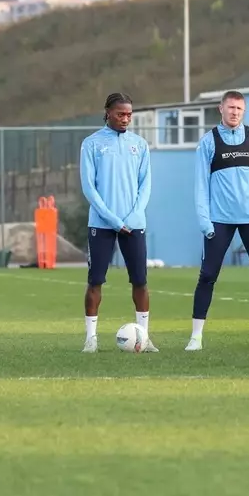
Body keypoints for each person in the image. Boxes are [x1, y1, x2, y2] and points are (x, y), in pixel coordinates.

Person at [188, 90, 249, 351]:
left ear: (244, 111)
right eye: (230, 108)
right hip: (219, 221)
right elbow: (200, 186)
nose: (234, 112)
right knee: (207, 276)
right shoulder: (208, 142)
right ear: (221, 109)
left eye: (239, 108)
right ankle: (196, 337)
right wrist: (206, 223)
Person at [79, 93, 154, 354]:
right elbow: (89, 187)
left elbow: (145, 184)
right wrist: (111, 218)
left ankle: (145, 337)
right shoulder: (91, 144)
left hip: (134, 223)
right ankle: (91, 339)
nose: (126, 119)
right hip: (102, 223)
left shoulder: (140, 144)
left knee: (140, 281)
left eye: (129, 115)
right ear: (108, 112)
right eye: (121, 114)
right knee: (95, 280)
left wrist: (134, 215)